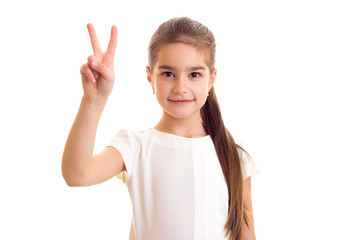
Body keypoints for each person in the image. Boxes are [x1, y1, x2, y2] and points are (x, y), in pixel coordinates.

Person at [62, 17, 259, 240]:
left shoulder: (234, 153)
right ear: (150, 76)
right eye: (168, 74)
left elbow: (246, 234)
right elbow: (76, 175)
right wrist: (93, 101)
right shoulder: (135, 146)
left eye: (194, 74)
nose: (181, 87)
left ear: (211, 78)